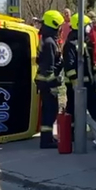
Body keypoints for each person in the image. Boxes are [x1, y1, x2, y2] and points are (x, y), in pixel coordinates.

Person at [63, 13, 96, 138]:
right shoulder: (71, 43)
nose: (89, 27)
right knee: (73, 109)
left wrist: (94, 77)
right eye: (87, 25)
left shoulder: (85, 41)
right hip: (76, 85)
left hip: (88, 84)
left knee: (95, 107)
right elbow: (69, 66)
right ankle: (70, 134)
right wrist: (74, 81)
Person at [35, 10, 64, 149]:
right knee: (50, 111)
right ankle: (46, 141)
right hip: (47, 82)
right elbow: (49, 68)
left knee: (48, 110)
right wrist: (54, 84)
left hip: (43, 81)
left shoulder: (46, 39)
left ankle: (46, 139)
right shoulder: (50, 42)